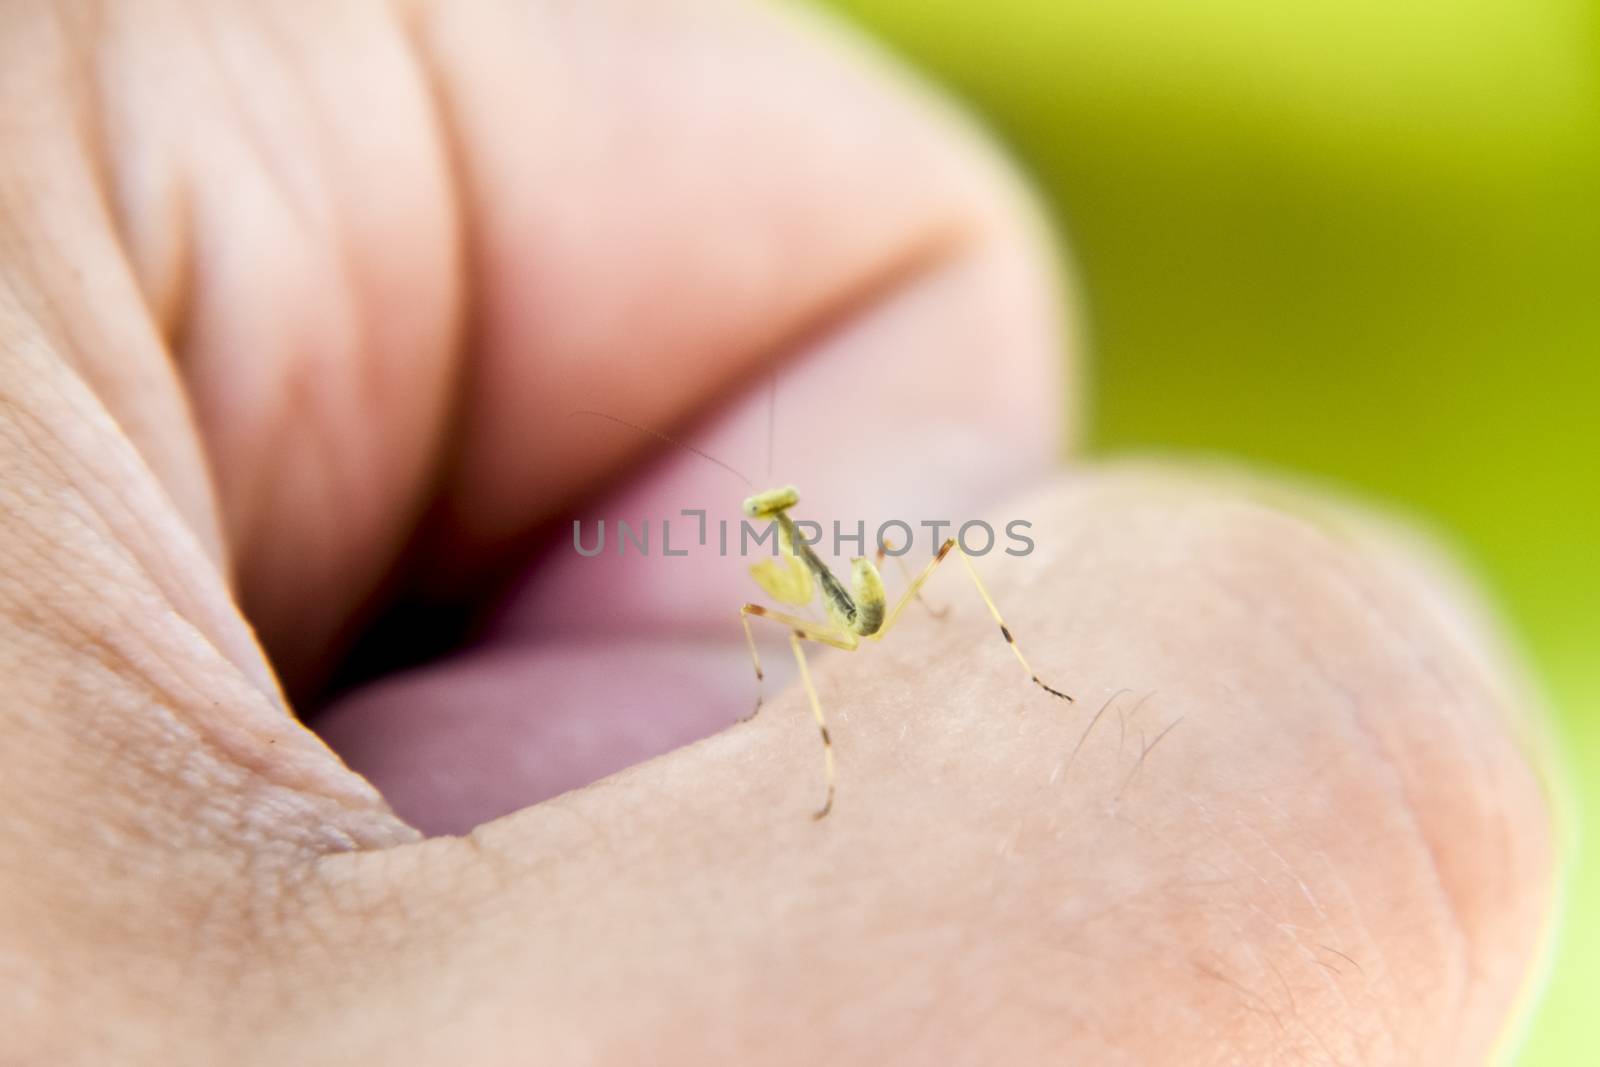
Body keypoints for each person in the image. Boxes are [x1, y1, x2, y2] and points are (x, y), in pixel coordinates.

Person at [0, 1, 1554, 1062]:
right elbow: (783, 627)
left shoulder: (823, 541)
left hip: (928, 647)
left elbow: (878, 594)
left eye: (777, 509)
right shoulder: (765, 578)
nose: (775, 522)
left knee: (947, 584)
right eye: (770, 512)